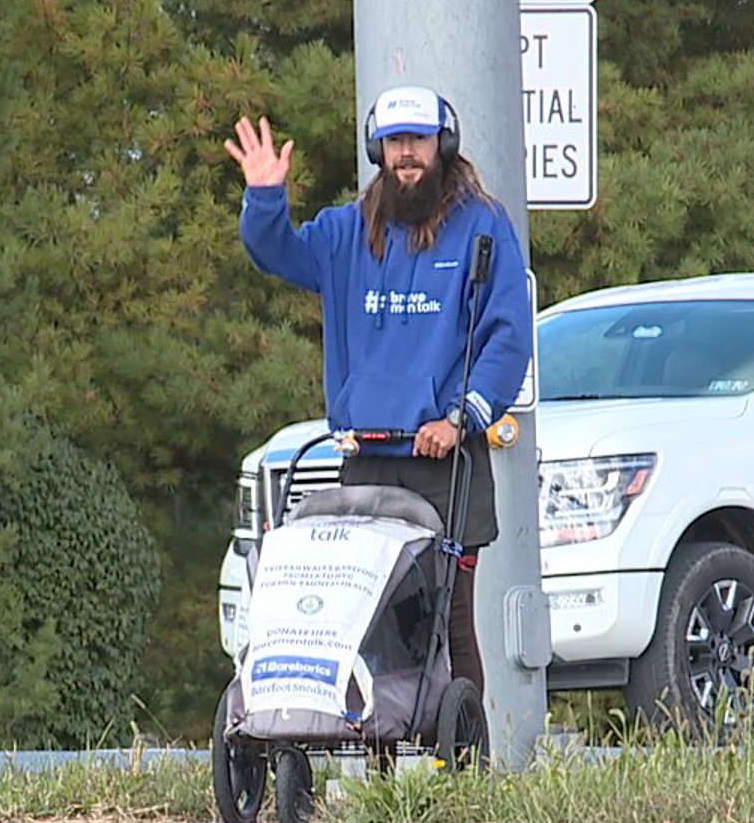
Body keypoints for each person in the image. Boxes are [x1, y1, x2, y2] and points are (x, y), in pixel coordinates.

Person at [224, 84, 532, 700]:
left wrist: (461, 419)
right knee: (370, 624)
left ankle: (468, 770)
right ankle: (385, 767)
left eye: (417, 140)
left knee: (449, 623)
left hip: (446, 461)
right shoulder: (347, 232)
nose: (407, 155)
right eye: (395, 143)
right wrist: (264, 197)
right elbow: (277, 251)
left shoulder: (483, 225)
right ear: (378, 150)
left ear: (442, 145)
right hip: (366, 458)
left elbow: (508, 336)